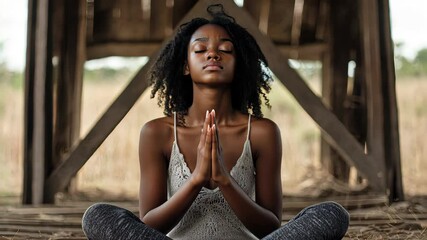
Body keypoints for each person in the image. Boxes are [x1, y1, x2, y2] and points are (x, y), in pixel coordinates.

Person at [81, 4, 349, 240]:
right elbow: (150, 226)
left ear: (239, 64)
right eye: (200, 49)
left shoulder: (261, 132)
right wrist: (196, 180)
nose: (213, 54)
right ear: (185, 66)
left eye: (225, 50)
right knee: (97, 216)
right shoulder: (157, 133)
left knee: (331, 214)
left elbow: (270, 228)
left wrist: (224, 180)